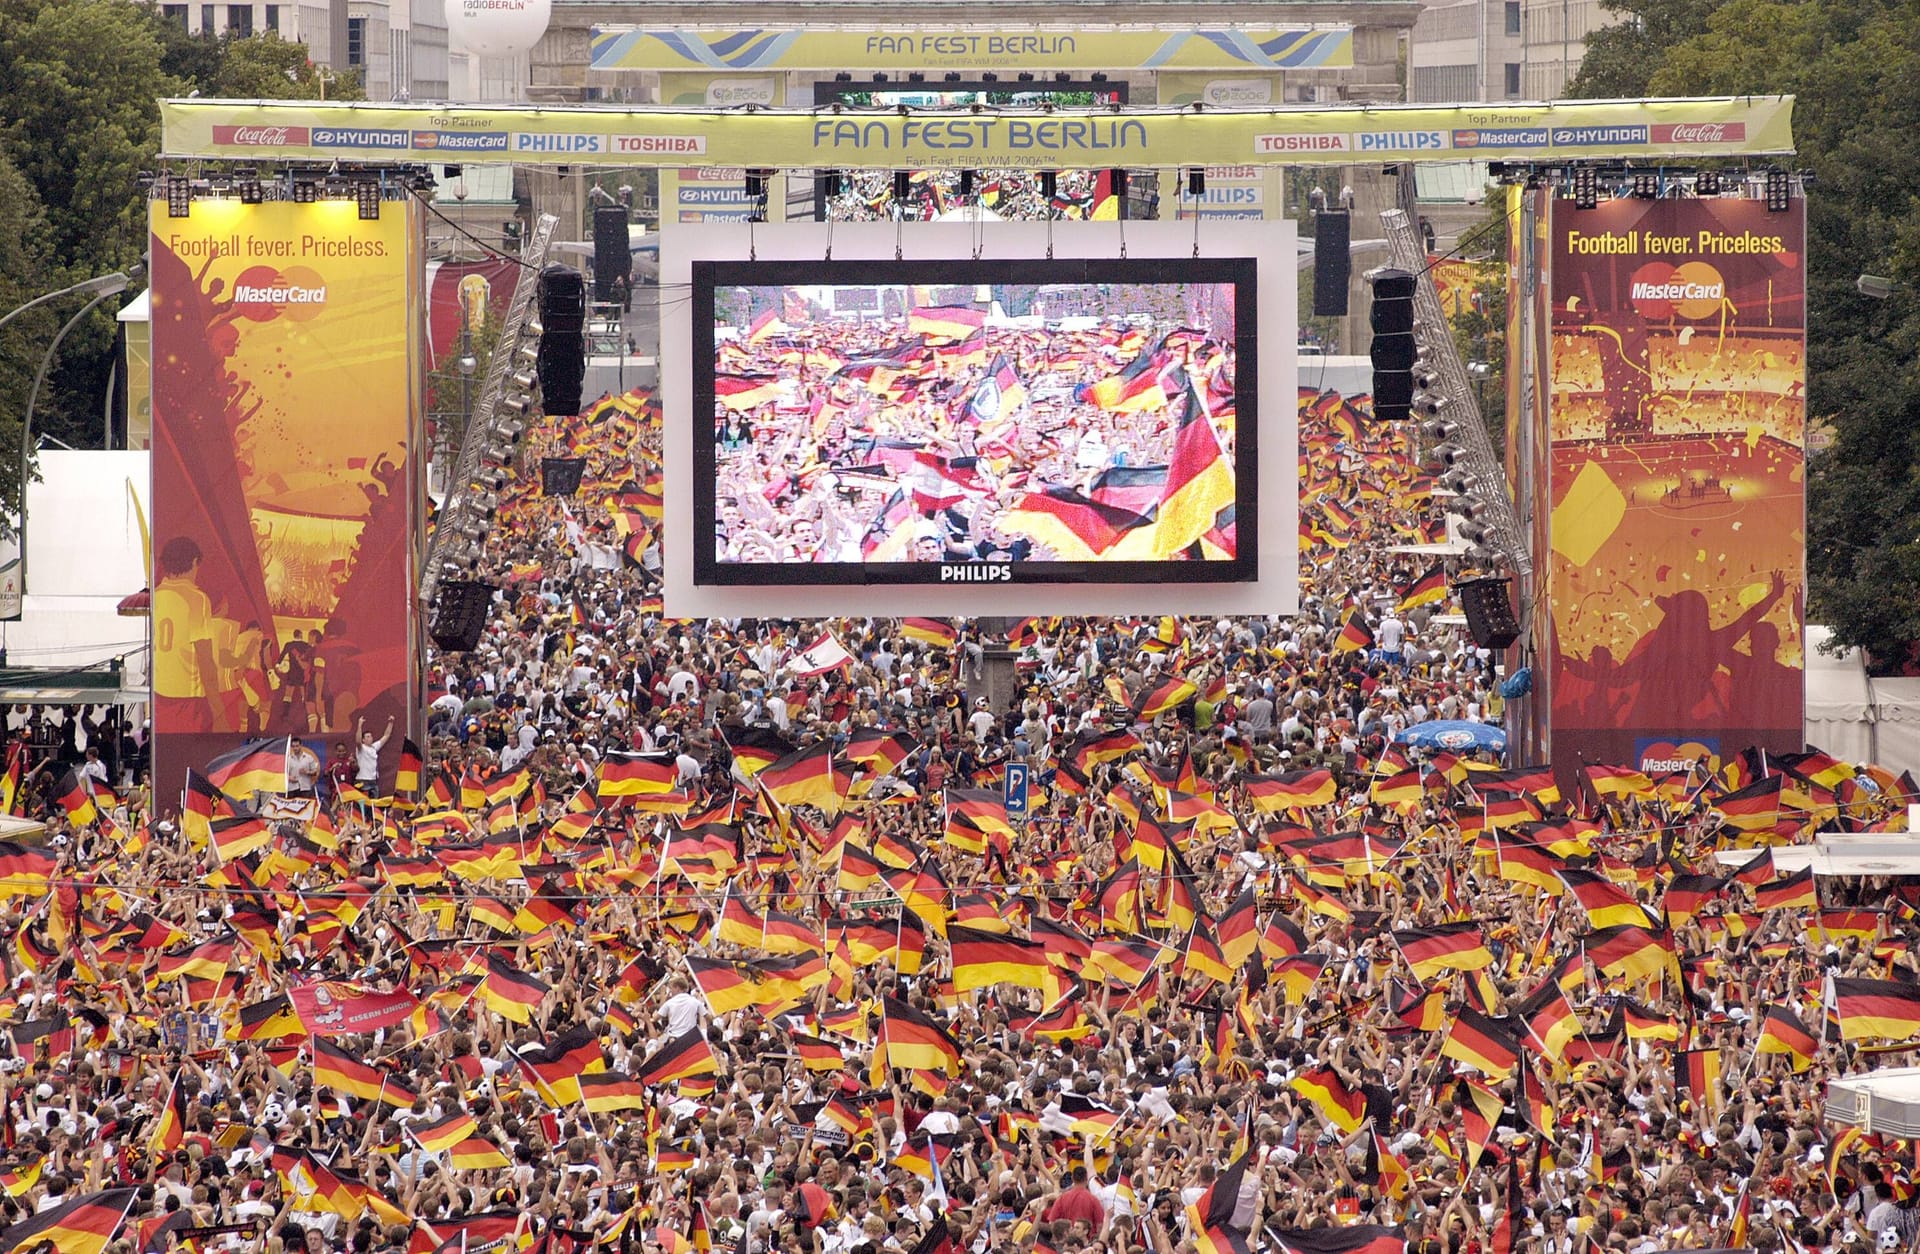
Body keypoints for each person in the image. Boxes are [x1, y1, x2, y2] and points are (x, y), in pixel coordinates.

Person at [354, 713, 395, 795]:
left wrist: (391, 723)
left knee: (374, 805)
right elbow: (357, 741)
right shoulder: (361, 748)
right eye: (367, 737)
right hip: (363, 780)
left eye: (371, 736)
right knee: (363, 805)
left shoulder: (374, 747)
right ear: (363, 740)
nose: (370, 738)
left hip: (373, 781)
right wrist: (359, 725)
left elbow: (386, 736)